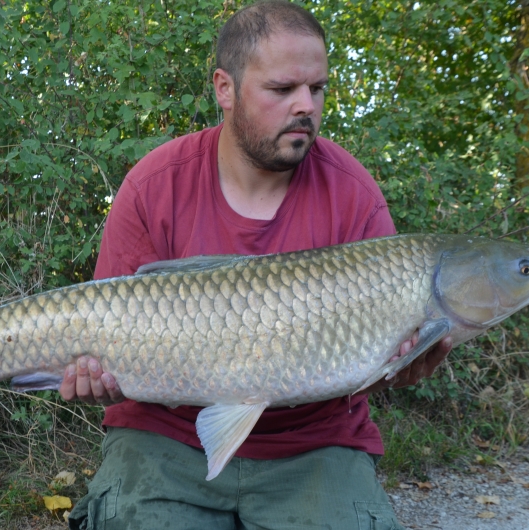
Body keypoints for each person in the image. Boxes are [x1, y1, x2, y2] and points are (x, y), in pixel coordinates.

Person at [63, 1, 452, 528]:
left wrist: (399, 370)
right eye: (282, 89)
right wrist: (97, 374)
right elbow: (103, 335)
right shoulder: (155, 184)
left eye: (317, 89)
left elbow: (368, 369)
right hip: (165, 436)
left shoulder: (354, 194)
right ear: (225, 88)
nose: (305, 106)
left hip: (312, 443)